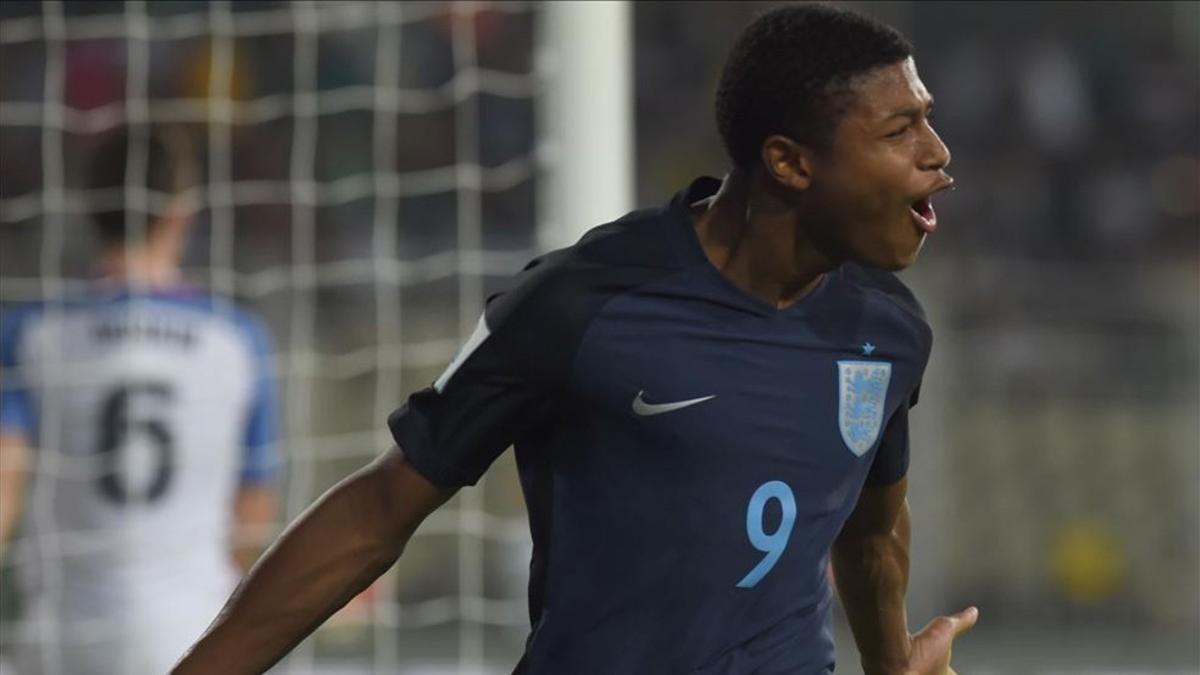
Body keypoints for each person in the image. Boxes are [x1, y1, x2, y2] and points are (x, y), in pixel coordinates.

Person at [175, 4, 977, 674]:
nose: (937, 155)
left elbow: (871, 539)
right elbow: (382, 507)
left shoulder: (887, 330)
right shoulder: (582, 302)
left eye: (928, 121)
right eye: (902, 129)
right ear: (789, 163)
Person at [0, 126, 280, 675]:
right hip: (195, 640)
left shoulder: (34, 333)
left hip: (63, 642)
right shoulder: (237, 340)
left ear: (87, 210)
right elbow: (252, 520)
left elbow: (4, 483)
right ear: (182, 213)